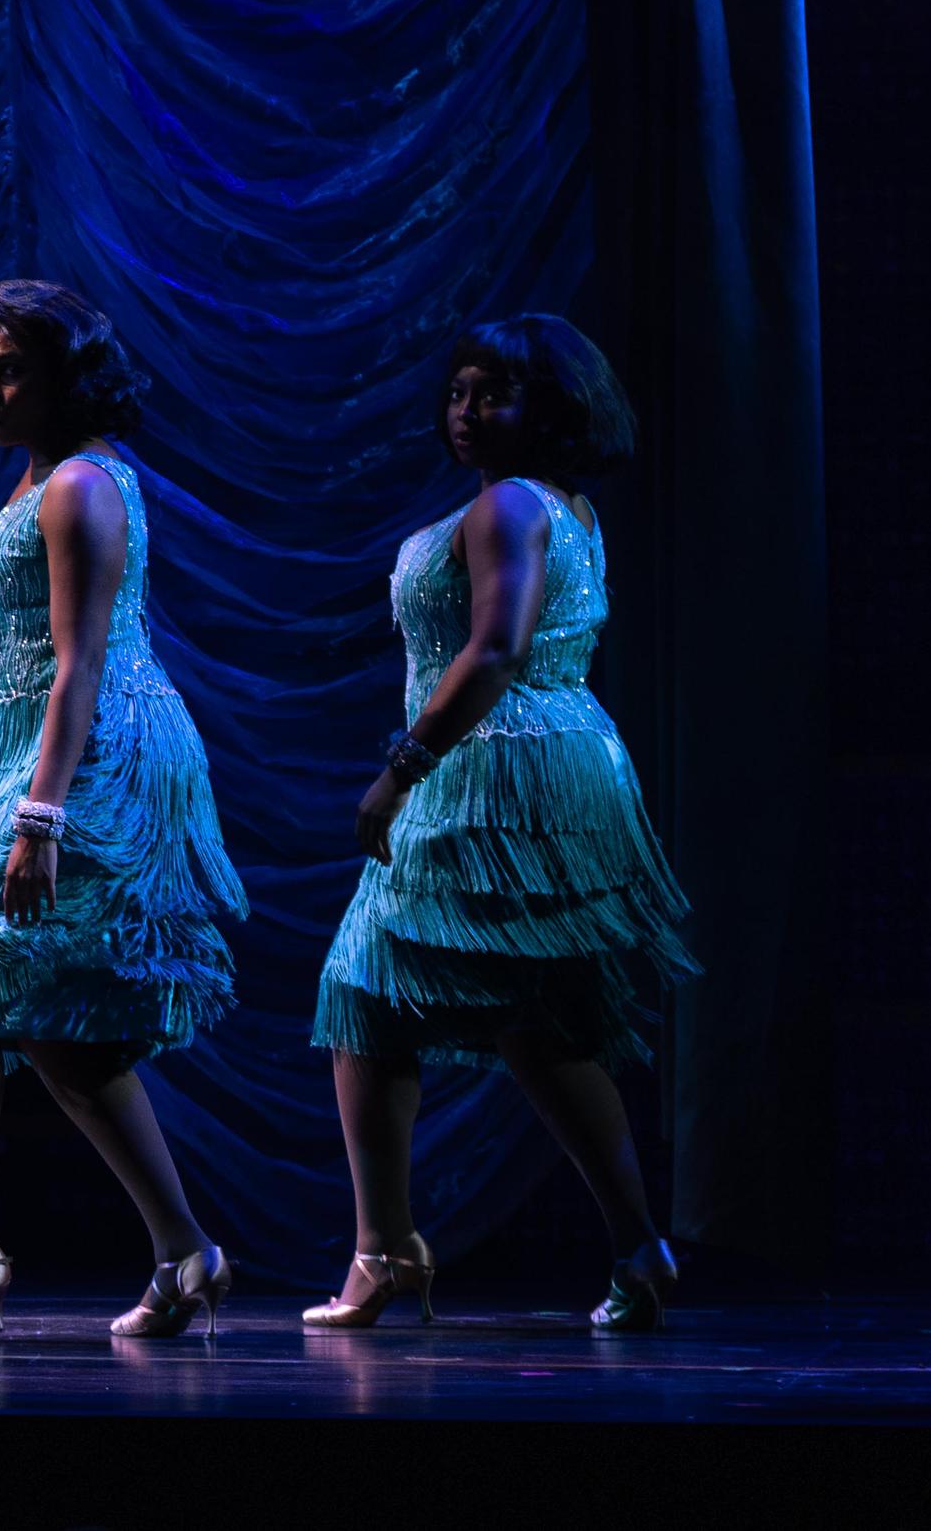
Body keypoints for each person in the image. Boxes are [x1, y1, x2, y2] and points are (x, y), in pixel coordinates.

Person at [0, 279, 245, 1342]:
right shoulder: (45, 475)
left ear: (63, 376)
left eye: (9, 371)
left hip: (85, 756)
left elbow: (79, 661)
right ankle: (168, 1250)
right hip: (40, 750)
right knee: (16, 1019)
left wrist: (40, 816)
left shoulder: (79, 484)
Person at [303, 313, 695, 1333]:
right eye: (458, 392)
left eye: (494, 393)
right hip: (557, 758)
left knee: (366, 989)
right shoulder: (570, 509)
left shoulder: (508, 505)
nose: (467, 411)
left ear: (547, 407)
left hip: (493, 768)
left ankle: (386, 1248)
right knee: (523, 1019)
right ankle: (634, 1245)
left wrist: (400, 769)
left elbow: (493, 649)